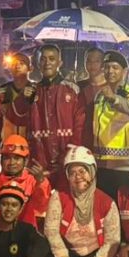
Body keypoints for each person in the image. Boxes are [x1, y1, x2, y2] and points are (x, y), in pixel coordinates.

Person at [43, 146, 121, 257]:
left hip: (93, 252)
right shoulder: (59, 197)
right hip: (69, 251)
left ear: (92, 172)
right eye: (73, 172)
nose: (78, 176)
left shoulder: (107, 202)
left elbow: (112, 241)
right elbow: (51, 230)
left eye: (83, 170)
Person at [25, 44, 85, 190]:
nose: (47, 63)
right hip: (39, 160)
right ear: (38, 63)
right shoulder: (32, 91)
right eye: (43, 59)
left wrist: (69, 153)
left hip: (66, 158)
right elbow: (22, 122)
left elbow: (80, 125)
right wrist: (24, 101)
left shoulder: (72, 90)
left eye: (52, 59)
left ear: (60, 63)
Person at [91, 51, 129, 199]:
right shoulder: (100, 95)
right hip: (101, 163)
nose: (110, 71)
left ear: (124, 71)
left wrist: (115, 99)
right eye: (107, 68)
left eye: (115, 67)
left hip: (123, 166)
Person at [0, 135, 50, 228]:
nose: (12, 162)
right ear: (1, 160)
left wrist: (41, 182)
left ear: (26, 160)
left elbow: (41, 207)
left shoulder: (32, 181)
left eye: (17, 158)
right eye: (7, 158)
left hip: (23, 239)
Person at [0, 52, 34, 141]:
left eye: (22, 63)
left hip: (31, 142)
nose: (17, 66)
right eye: (14, 64)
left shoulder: (36, 90)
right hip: (8, 143)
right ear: (9, 68)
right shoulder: (2, 91)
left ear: (30, 68)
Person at [76, 47, 106, 148]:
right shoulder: (78, 87)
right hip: (82, 137)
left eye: (97, 61)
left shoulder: (110, 88)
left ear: (103, 64)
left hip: (103, 139)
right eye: (88, 61)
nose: (92, 65)